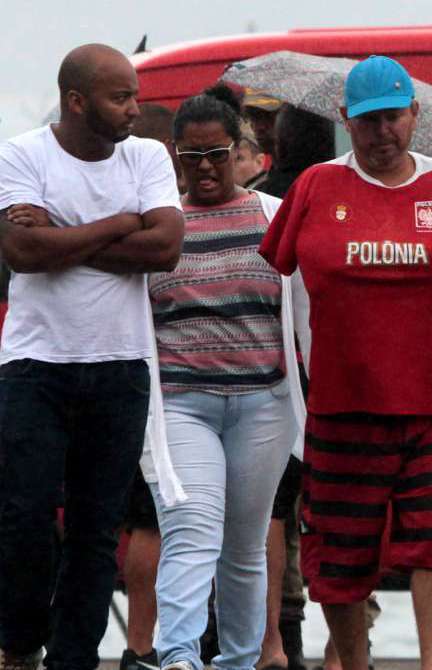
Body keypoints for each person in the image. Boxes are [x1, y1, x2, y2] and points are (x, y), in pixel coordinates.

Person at [259, 54, 432, 670]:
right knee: (338, 561)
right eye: (367, 121)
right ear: (345, 119)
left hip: (431, 407)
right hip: (339, 409)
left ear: (415, 114)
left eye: (394, 117)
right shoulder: (315, 185)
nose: (382, 132)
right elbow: (275, 264)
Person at [0, 43, 184, 670]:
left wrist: (62, 233)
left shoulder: (148, 155)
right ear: (77, 102)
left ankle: (72, 660)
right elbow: (22, 253)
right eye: (120, 97)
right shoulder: (22, 153)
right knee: (24, 518)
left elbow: (164, 249)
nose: (136, 108)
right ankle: (19, 643)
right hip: (35, 366)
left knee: (94, 530)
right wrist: (119, 221)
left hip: (121, 365)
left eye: (134, 94)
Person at [141, 88, 307, 670]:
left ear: (240, 151)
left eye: (217, 153)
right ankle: (179, 656)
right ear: (174, 155)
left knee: (244, 545)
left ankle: (238, 660)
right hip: (183, 404)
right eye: (192, 157)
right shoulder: (161, 227)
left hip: (264, 404)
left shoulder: (274, 215)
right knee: (190, 526)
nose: (205, 167)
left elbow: (303, 314)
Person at [254, 102, 337, 670]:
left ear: (280, 143)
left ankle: (278, 640)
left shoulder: (260, 199)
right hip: (335, 370)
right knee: (340, 513)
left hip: (278, 372)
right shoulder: (343, 198)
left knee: (272, 512)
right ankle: (348, 646)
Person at [118, 101, 183, 670]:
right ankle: (162, 642)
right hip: (176, 383)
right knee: (166, 522)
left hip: (137, 377)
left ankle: (140, 645)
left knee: (148, 520)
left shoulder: (128, 210)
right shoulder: (171, 214)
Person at [233, 120, 269, 190]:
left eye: (238, 158)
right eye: (228, 158)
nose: (230, 165)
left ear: (259, 162)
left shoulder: (269, 194)